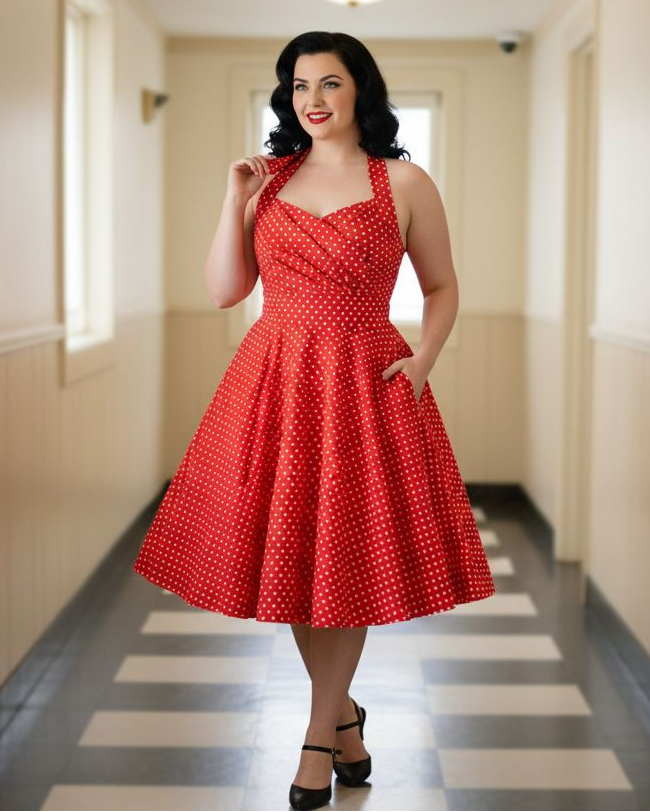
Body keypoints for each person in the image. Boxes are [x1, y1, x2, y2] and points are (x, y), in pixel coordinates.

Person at [133, 30, 496, 812]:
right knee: (297, 563)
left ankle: (314, 739)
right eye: (300, 87)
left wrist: (425, 359)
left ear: (360, 89)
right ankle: (346, 719)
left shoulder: (402, 181)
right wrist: (234, 198)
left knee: (347, 565)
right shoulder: (267, 181)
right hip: (276, 381)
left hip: (368, 381)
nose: (314, 101)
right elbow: (227, 290)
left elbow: (441, 287)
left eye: (330, 84)